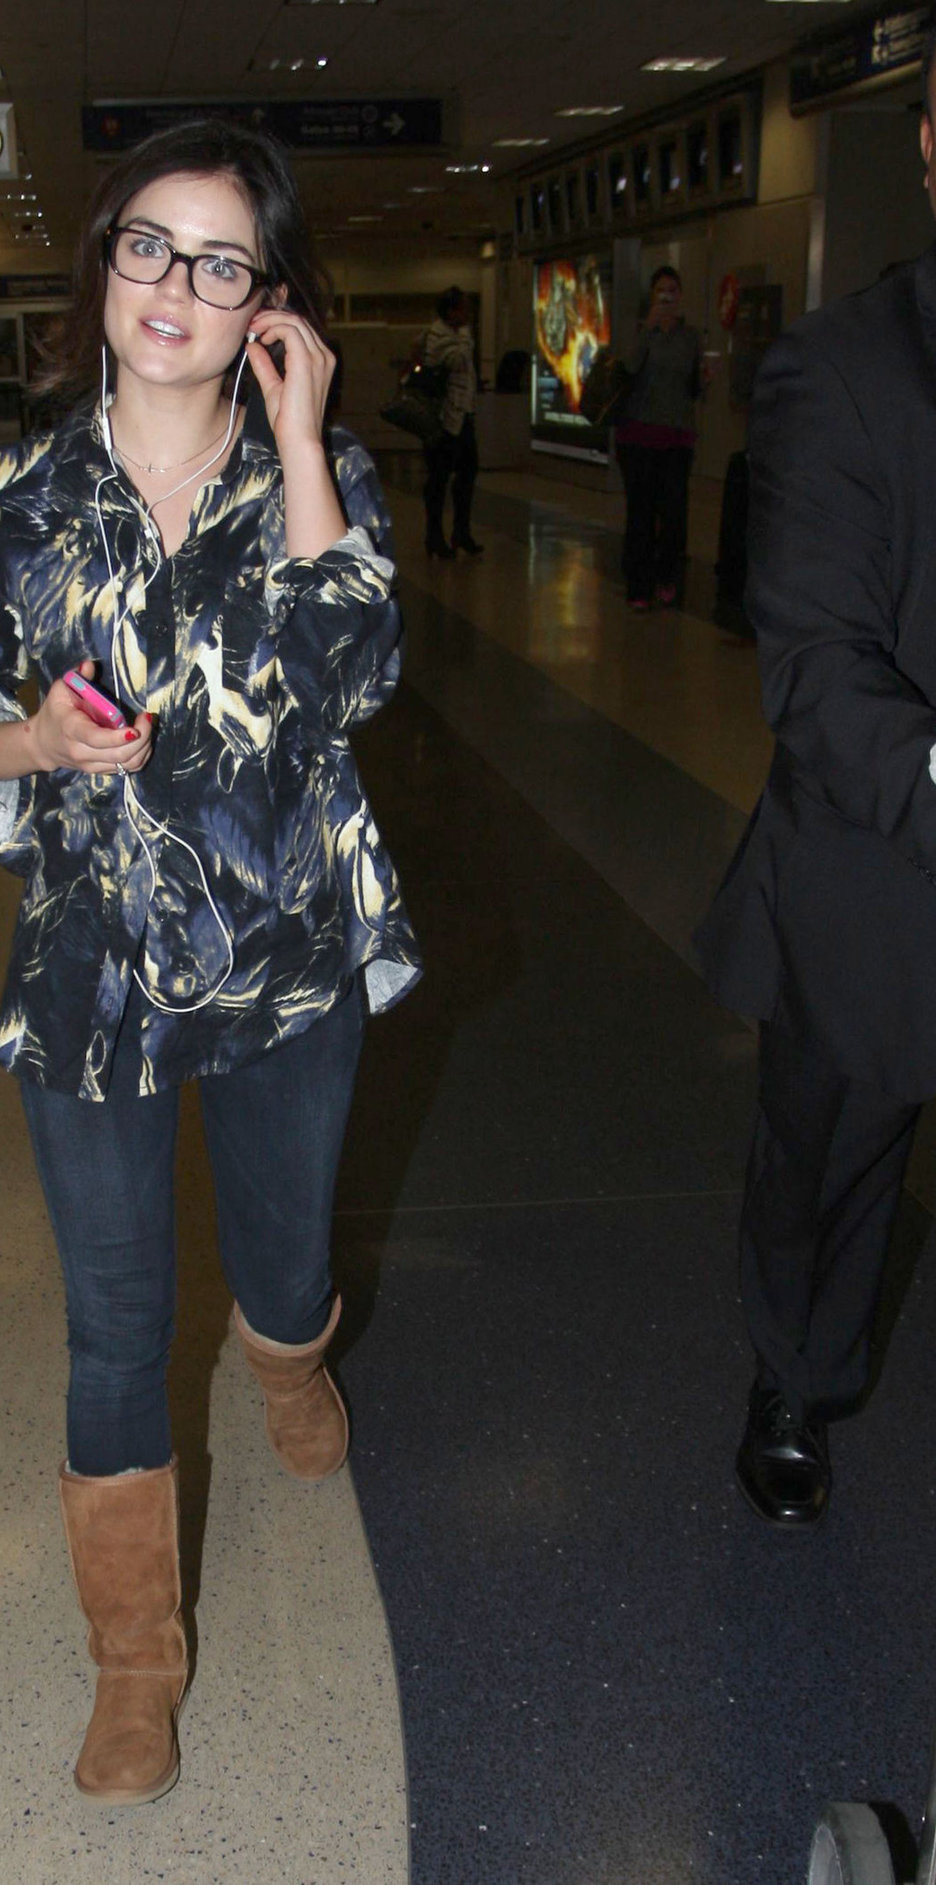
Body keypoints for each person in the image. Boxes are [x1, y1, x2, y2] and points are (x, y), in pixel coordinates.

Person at [0, 119, 420, 1806]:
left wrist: (300, 434)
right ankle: (137, 1665)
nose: (175, 287)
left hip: (287, 954)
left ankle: (294, 1355)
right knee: (114, 1325)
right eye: (150, 244)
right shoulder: (11, 500)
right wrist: (36, 752)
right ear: (102, 263)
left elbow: (355, 674)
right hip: (91, 973)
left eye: (220, 262)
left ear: (266, 302)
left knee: (280, 1269)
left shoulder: (312, 473)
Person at [695, 30, 936, 1531]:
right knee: (830, 1162)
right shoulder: (845, 369)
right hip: (877, 858)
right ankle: (795, 1371)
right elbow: (816, 669)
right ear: (926, 147)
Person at [615, 267, 704, 611]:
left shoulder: (691, 336)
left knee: (673, 515)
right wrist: (649, 328)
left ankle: (667, 577)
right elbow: (629, 368)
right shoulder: (640, 331)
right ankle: (638, 584)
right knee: (641, 513)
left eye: (672, 291)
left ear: (680, 295)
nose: (667, 297)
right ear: (652, 296)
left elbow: (692, 387)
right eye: (660, 291)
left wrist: (704, 379)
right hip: (638, 437)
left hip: (677, 439)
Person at [418, 286, 481, 559]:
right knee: (438, 479)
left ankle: (461, 531)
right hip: (442, 418)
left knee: (467, 473)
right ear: (451, 310)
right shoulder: (437, 336)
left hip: (463, 414)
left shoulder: (457, 335)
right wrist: (466, 339)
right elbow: (454, 361)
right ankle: (434, 536)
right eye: (463, 308)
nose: (467, 315)